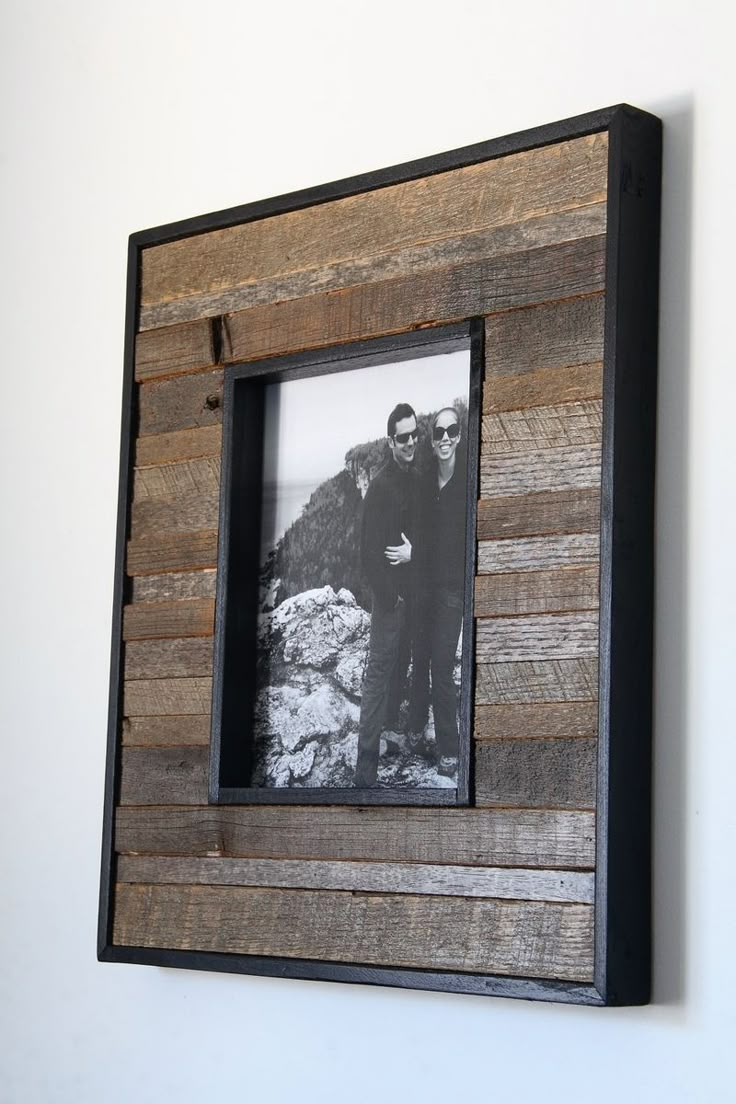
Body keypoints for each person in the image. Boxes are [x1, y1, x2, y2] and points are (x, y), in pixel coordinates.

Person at [354, 403, 419, 787]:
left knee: (403, 665)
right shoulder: (379, 487)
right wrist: (390, 597)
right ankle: (365, 766)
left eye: (414, 435)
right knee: (379, 671)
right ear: (390, 441)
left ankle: (393, 736)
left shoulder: (417, 477)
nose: (410, 442)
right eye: (402, 437)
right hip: (391, 597)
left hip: (415, 593)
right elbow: (368, 553)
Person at [412, 407, 467, 776]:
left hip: (452, 591)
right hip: (426, 589)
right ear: (431, 441)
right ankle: (415, 732)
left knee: (442, 668)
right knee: (421, 659)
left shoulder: (467, 481)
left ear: (459, 435)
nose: (445, 437)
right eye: (438, 433)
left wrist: (415, 552)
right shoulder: (427, 480)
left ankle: (450, 749)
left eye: (452, 430)